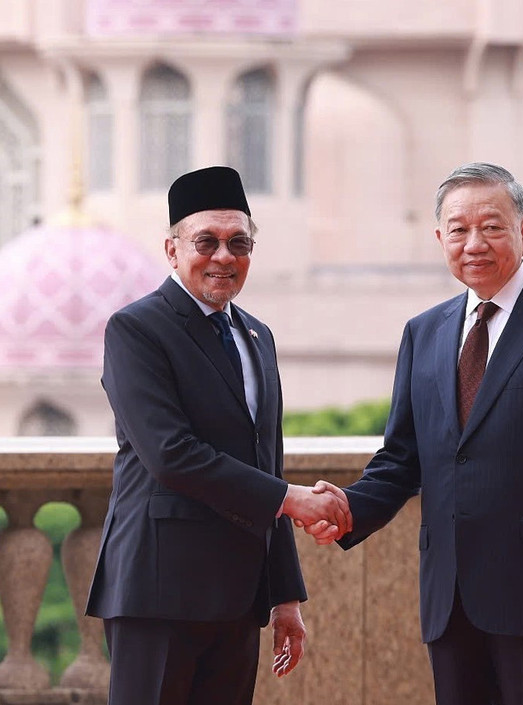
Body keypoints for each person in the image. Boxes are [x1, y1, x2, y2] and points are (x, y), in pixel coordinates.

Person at [305, 162, 523, 705]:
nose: (474, 243)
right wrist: (348, 507)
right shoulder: (423, 332)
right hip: (449, 598)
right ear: (441, 239)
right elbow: (401, 460)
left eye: (492, 227)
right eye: (458, 229)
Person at [85, 166, 352, 705]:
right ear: (172, 249)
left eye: (239, 243)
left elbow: (266, 464)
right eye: (206, 241)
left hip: (237, 598)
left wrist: (284, 597)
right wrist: (293, 499)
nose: (224, 256)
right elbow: (171, 455)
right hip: (157, 592)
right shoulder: (137, 329)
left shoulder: (257, 336)